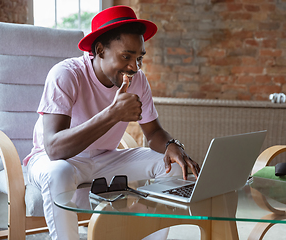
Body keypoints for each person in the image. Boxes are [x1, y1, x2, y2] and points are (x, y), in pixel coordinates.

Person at [23, 5, 200, 240]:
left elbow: (153, 131)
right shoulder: (67, 74)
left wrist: (171, 145)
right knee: (60, 172)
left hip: (105, 157)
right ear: (100, 50)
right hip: (52, 160)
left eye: (139, 58)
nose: (134, 67)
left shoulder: (138, 81)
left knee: (174, 166)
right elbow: (55, 148)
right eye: (126, 56)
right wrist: (113, 114)